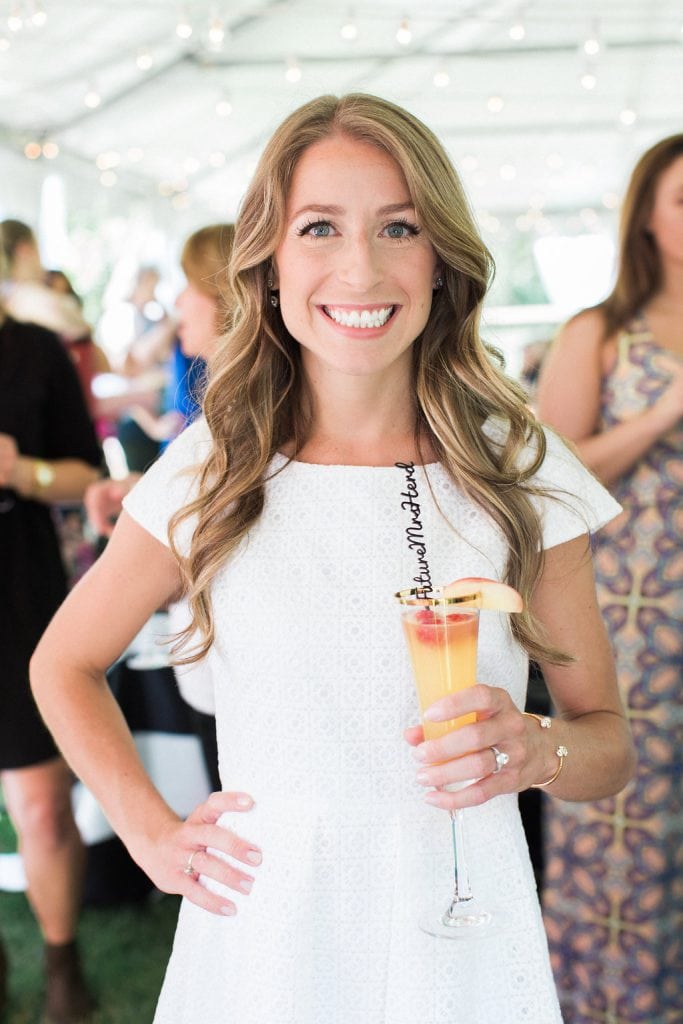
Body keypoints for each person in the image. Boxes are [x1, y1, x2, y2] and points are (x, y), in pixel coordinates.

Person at [30, 94, 634, 1024]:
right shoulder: (213, 465)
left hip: (462, 932)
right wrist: (151, 833)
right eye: (320, 227)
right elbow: (63, 664)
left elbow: (607, 746)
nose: (361, 266)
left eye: (399, 227)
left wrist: (538, 747)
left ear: (441, 261)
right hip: (266, 933)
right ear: (268, 265)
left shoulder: (519, 466)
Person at [536, 134, 683, 1024]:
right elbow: (553, 477)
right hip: (633, 622)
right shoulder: (599, 331)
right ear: (649, 220)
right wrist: (666, 412)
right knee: (623, 833)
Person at [0, 301, 101, 1022]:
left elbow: (85, 474)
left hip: (18, 589)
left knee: (40, 802)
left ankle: (61, 963)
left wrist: (23, 471)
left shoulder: (37, 350)